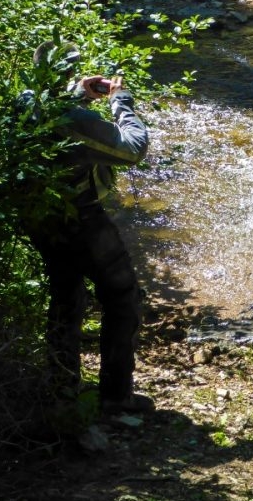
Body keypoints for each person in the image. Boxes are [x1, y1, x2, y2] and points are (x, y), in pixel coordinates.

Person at [18, 41, 154, 416]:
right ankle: (115, 397)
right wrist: (121, 102)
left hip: (40, 217)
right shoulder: (74, 120)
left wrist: (79, 94)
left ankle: (62, 390)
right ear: (64, 73)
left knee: (66, 296)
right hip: (83, 218)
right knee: (122, 296)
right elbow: (133, 149)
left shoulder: (24, 102)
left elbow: (55, 113)